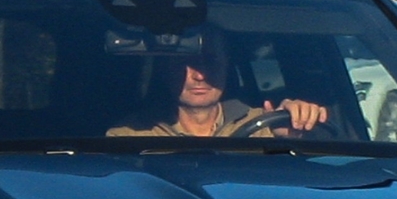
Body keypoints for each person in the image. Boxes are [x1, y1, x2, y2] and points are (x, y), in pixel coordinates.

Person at [108, 35, 327, 139]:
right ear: (164, 69)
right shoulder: (129, 137)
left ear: (227, 66)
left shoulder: (264, 127)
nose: (201, 75)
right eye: (188, 63)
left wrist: (291, 132)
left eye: (211, 61)